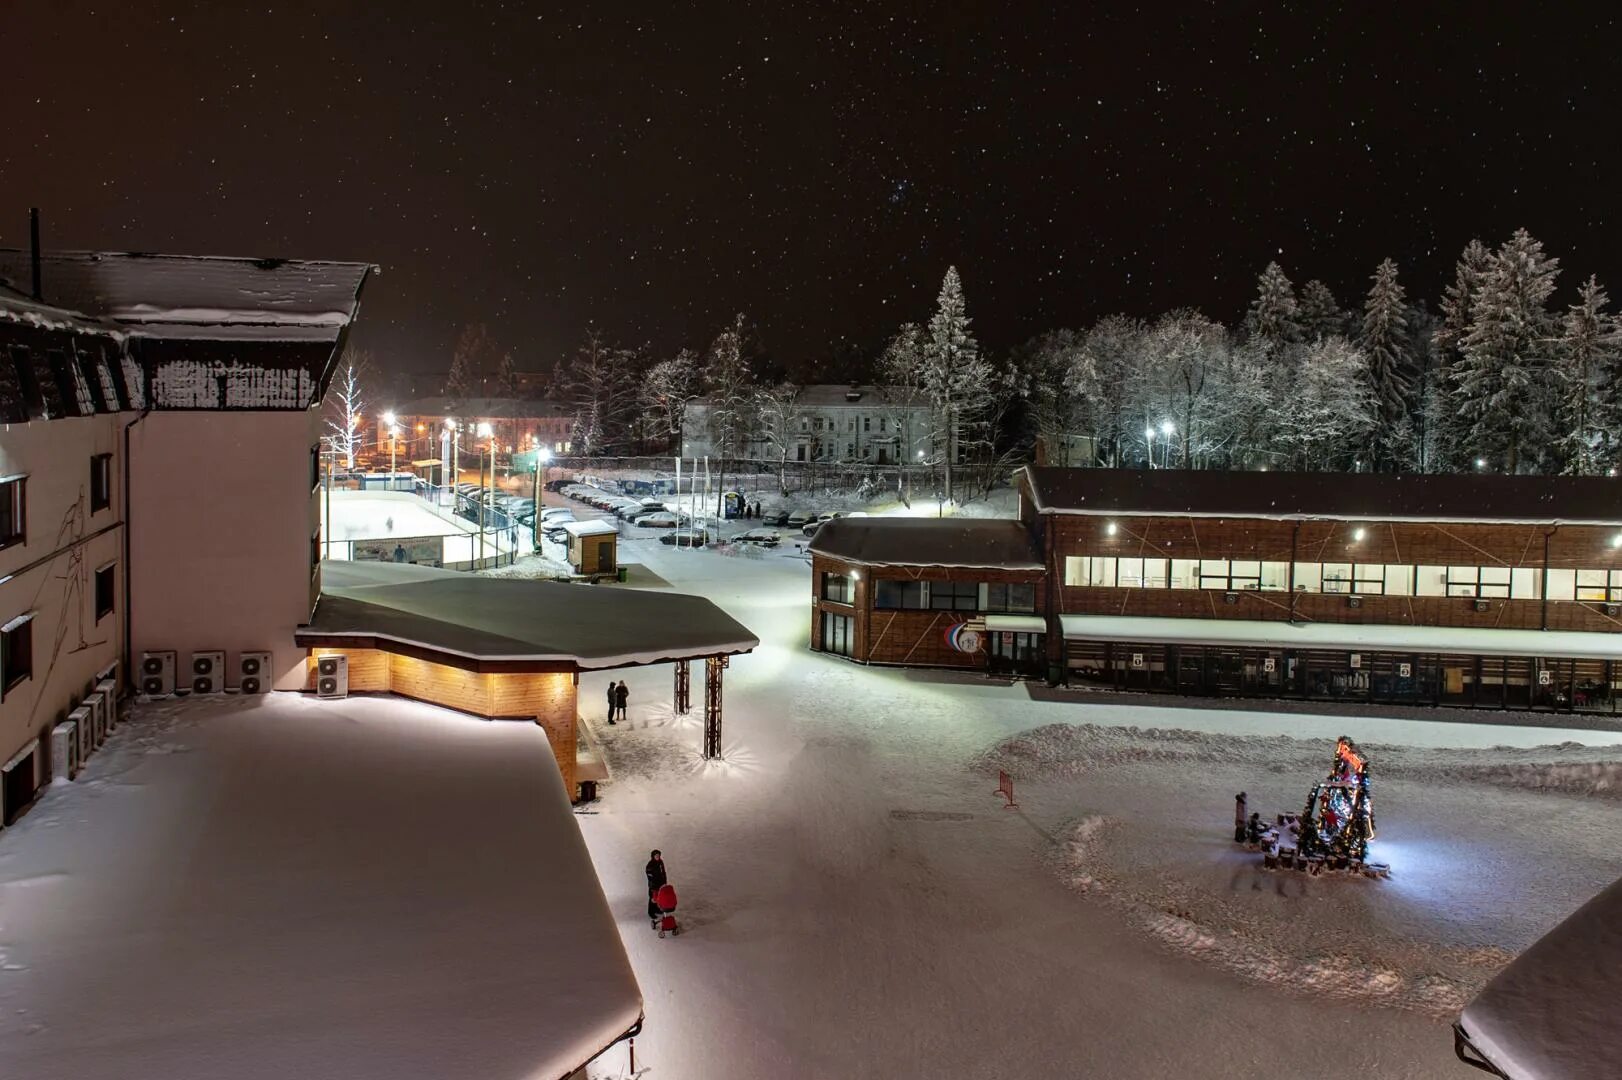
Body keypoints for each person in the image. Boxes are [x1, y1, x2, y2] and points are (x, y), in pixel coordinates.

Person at [646, 849, 667, 928]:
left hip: (661, 885)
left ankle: (656, 909)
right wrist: (653, 884)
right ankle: (651, 912)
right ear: (653, 856)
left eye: (658, 855)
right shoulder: (650, 865)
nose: (658, 857)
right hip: (653, 886)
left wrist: (664, 881)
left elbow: (663, 872)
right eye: (656, 856)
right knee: (652, 898)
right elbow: (650, 877)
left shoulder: (661, 862)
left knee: (658, 898)